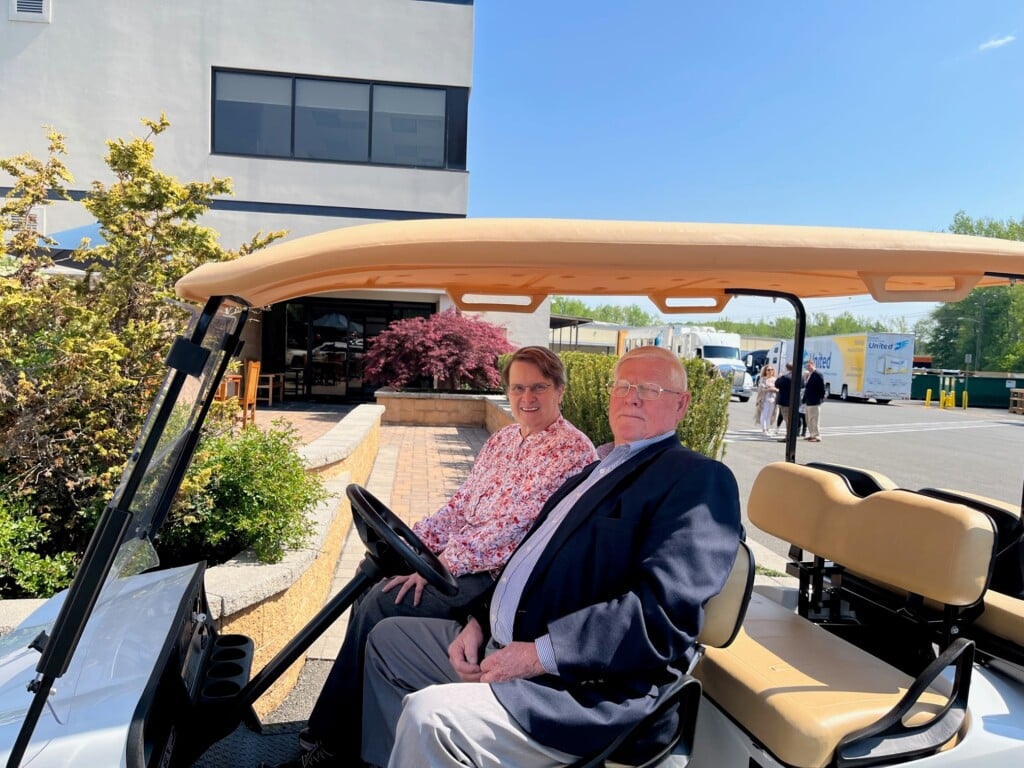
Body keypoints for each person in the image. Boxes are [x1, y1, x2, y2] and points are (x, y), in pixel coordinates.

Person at [359, 346, 743, 768]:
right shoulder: (594, 470)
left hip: (577, 689)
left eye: (651, 389)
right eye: (624, 386)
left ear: (682, 404)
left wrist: (538, 654)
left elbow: (662, 616)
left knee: (430, 717)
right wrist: (479, 620)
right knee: (388, 641)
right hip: (502, 645)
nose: (633, 397)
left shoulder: (697, 480)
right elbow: (531, 560)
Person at [267, 346, 598, 768]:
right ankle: (350, 724)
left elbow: (516, 530)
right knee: (372, 578)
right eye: (518, 388)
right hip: (465, 558)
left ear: (559, 391)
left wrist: (440, 565)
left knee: (384, 602)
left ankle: (328, 742)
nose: (526, 398)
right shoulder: (503, 440)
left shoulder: (570, 452)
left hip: (497, 576)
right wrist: (412, 546)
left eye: (538, 387)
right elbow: (460, 507)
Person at [803, 359, 826, 442]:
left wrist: (820, 398)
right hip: (808, 401)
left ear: (813, 365)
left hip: (815, 401)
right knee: (808, 419)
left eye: (809, 365)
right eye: (807, 366)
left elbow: (822, 388)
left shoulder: (817, 374)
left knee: (814, 419)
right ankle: (811, 434)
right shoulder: (809, 375)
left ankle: (816, 436)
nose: (808, 367)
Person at [755, 365, 778, 435]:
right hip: (765, 399)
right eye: (768, 370)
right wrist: (769, 389)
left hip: (773, 399)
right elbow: (761, 389)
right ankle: (764, 429)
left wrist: (775, 389)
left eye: (771, 369)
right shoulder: (763, 379)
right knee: (764, 414)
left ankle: (768, 428)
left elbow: (779, 389)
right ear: (765, 371)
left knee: (770, 414)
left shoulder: (775, 379)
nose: (770, 371)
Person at [774, 363, 793, 440]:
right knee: (791, 420)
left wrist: (779, 377)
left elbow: (777, 384)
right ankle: (791, 436)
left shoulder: (785, 377)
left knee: (787, 421)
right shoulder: (799, 377)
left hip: (785, 402)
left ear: (787, 368)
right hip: (794, 402)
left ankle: (788, 437)